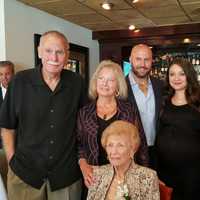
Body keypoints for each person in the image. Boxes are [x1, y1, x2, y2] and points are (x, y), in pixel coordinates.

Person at [0, 30, 86, 200]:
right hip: (25, 175)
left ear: (67, 55)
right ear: (39, 51)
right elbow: (8, 127)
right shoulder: (19, 82)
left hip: (65, 176)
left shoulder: (77, 83)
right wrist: (12, 162)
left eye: (60, 52)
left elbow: (84, 126)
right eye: (48, 51)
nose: (54, 58)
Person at [77, 60, 148, 198]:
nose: (104, 83)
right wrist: (84, 166)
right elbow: (79, 145)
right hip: (95, 177)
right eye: (101, 78)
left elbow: (141, 143)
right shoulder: (84, 112)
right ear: (95, 82)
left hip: (125, 175)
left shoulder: (129, 110)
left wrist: (144, 173)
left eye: (111, 80)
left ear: (118, 86)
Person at [156, 58, 200, 200]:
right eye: (172, 74)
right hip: (165, 169)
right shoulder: (163, 100)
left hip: (193, 171)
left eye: (181, 74)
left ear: (189, 75)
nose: (176, 78)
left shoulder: (198, 101)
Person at [87, 120, 160, 200]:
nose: (114, 151)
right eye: (110, 145)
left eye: (120, 145)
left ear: (132, 150)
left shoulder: (148, 177)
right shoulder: (98, 174)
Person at [126, 44, 164, 168]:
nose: (143, 64)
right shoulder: (120, 87)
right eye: (138, 59)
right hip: (132, 153)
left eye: (146, 59)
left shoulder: (160, 85)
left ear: (151, 61)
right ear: (130, 60)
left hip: (158, 152)